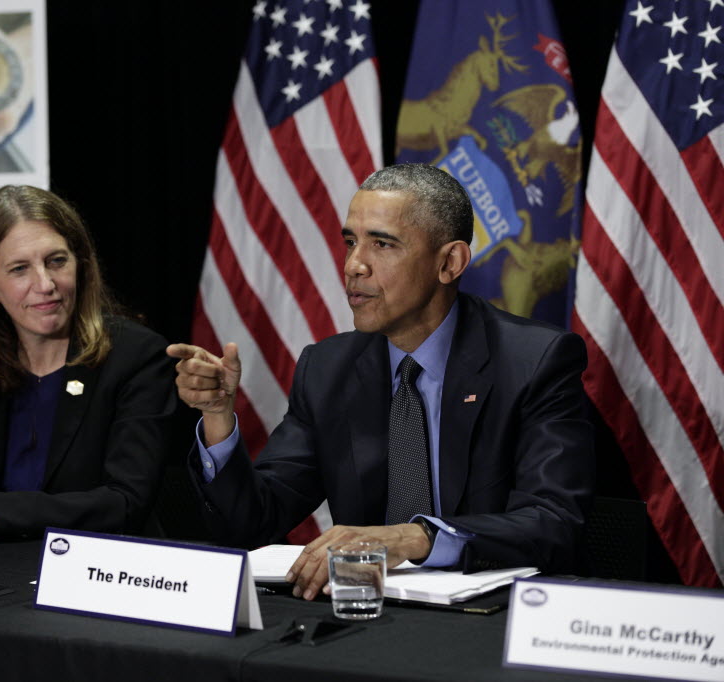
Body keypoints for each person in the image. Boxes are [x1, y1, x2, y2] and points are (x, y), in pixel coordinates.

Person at [167, 164, 593, 600]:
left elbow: (554, 523)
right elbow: (253, 522)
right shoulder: (328, 368)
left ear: (449, 263)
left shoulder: (534, 362)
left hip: (494, 615)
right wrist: (217, 417)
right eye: (351, 242)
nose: (354, 265)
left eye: (382, 244)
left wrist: (415, 537)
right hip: (362, 610)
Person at [0, 185, 177, 538]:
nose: (45, 283)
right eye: (20, 268)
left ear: (81, 265)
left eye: (57, 261)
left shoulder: (136, 357)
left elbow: (126, 503)